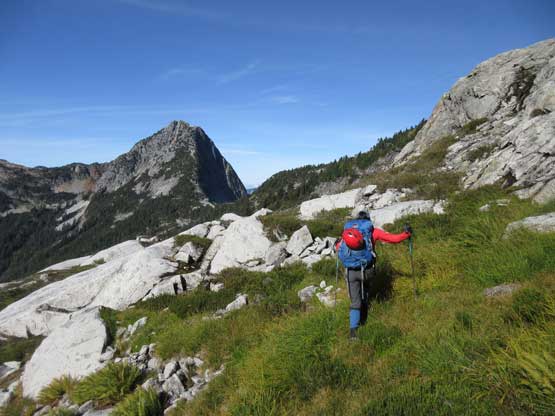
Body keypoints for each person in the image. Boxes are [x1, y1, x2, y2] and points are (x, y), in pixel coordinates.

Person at [336, 210, 412, 339]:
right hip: (367, 271)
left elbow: (339, 248)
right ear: (368, 220)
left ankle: (353, 332)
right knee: (365, 291)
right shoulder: (372, 231)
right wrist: (406, 234)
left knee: (355, 301)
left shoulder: (349, 232)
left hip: (350, 272)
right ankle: (364, 313)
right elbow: (393, 239)